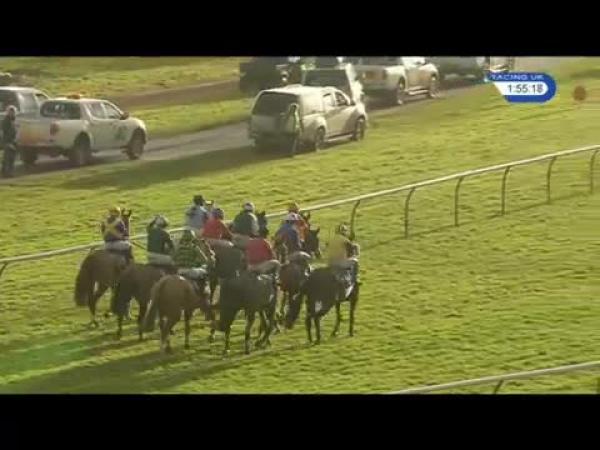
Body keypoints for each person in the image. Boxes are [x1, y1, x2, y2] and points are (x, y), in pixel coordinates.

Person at [173, 228, 211, 295]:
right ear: (192, 238)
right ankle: (203, 293)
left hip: (178, 271)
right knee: (204, 272)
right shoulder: (194, 247)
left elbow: (173, 259)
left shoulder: (177, 247)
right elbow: (205, 260)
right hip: (190, 271)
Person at [327, 223, 360, 288]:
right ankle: (355, 280)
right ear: (343, 232)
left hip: (330, 263)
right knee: (355, 261)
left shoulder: (331, 239)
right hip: (340, 262)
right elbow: (352, 248)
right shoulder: (344, 239)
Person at [1, 105, 18, 178]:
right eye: (10, 112)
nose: (12, 113)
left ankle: (8, 172)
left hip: (13, 141)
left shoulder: (14, 120)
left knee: (11, 158)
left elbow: (15, 131)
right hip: (7, 142)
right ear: (8, 112)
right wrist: (7, 142)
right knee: (7, 158)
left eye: (13, 112)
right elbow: (3, 133)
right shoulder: (5, 121)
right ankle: (6, 173)